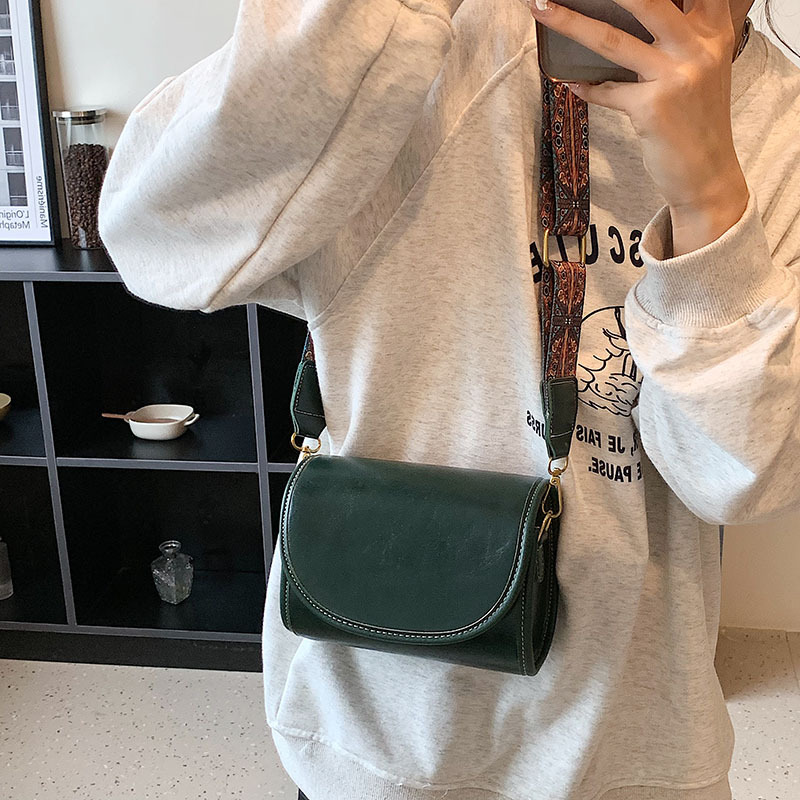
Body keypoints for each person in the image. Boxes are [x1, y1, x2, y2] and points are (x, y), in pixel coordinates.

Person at [97, 0, 800, 798]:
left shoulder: (781, 129)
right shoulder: (418, 39)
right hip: (377, 739)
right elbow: (155, 241)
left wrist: (710, 204)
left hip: (633, 749)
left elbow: (742, 480)